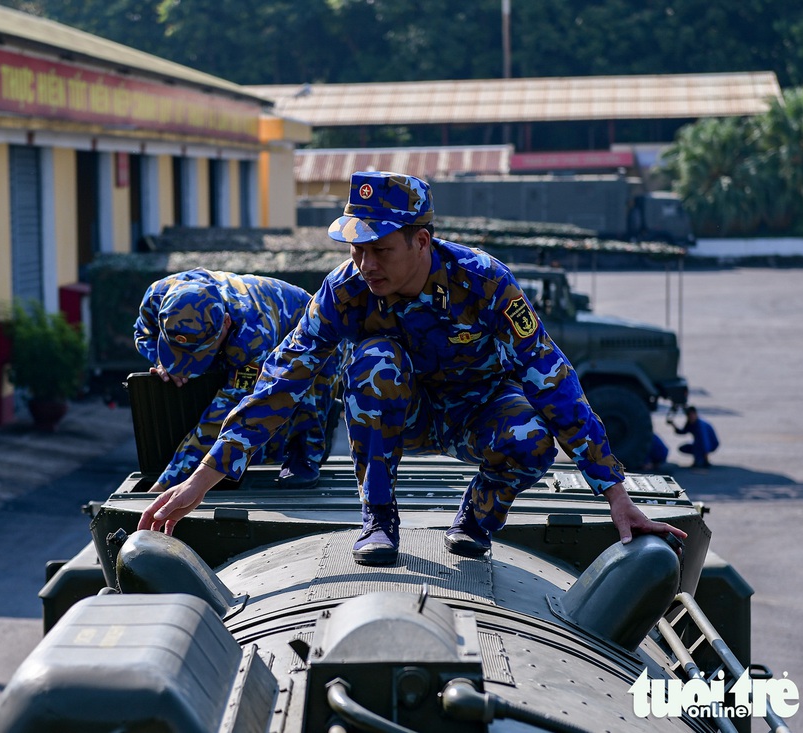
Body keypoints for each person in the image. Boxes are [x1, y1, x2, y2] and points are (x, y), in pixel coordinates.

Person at [138, 171, 687, 565]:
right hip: (400, 416)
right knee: (372, 363)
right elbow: (283, 380)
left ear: (421, 241)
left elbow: (551, 376)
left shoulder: (484, 280)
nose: (365, 264)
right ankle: (378, 519)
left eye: (379, 249)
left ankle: (476, 518)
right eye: (356, 249)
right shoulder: (346, 291)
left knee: (531, 436)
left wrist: (614, 491)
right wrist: (200, 482)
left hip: (478, 411)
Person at [133, 268, 339, 493]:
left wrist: (161, 489)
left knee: (301, 392)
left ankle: (307, 454)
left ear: (226, 323)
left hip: (313, 330)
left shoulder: (252, 337)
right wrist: (164, 361)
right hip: (237, 341)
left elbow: (223, 419)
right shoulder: (157, 298)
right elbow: (143, 334)